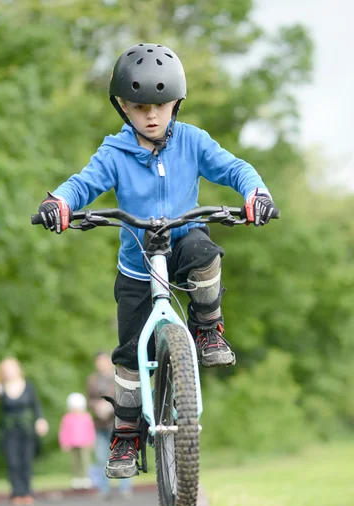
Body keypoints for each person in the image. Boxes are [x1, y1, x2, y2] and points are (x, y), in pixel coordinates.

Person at [36, 43, 276, 481]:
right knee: (128, 358)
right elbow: (82, 183)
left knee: (206, 254)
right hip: (137, 264)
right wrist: (60, 202)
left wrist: (254, 192)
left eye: (160, 106)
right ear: (123, 108)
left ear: (176, 105)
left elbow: (235, 168)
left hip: (184, 239)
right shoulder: (114, 153)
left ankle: (207, 331)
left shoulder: (193, 141)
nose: (151, 115)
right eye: (139, 106)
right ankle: (126, 435)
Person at [0, 357, 49, 506]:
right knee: (13, 462)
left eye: (11, 368)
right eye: (6, 370)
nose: (9, 372)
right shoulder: (0, 388)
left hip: (26, 429)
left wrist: (40, 420)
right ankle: (17, 492)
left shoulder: (28, 386)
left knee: (26, 461)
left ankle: (27, 492)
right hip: (9, 431)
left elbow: (36, 406)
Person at [86, 352, 133, 498]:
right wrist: (97, 407)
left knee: (122, 456)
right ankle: (103, 489)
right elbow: (89, 400)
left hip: (118, 424)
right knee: (101, 458)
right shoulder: (92, 380)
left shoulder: (119, 378)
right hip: (100, 425)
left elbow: (126, 397)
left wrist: (110, 407)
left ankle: (125, 488)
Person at [58, 392, 96, 490]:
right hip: (72, 444)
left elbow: (90, 430)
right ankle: (76, 479)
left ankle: (86, 478)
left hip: (84, 443)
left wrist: (92, 441)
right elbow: (64, 431)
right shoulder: (67, 418)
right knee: (74, 462)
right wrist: (64, 442)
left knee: (85, 461)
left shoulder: (86, 417)